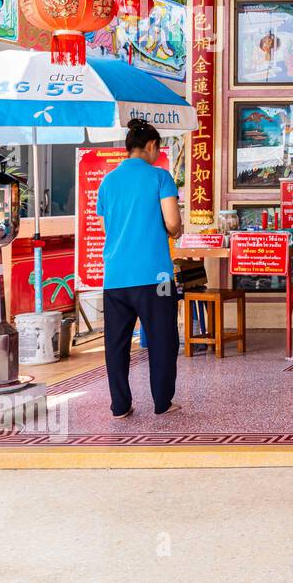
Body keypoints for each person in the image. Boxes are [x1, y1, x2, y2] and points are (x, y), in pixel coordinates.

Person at [96, 119, 184, 417]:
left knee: (117, 344)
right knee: (162, 339)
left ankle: (120, 405)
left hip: (116, 277)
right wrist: (176, 229)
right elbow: (172, 223)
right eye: (157, 148)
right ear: (150, 146)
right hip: (156, 276)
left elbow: (104, 225)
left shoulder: (108, 181)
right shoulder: (160, 177)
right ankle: (162, 402)